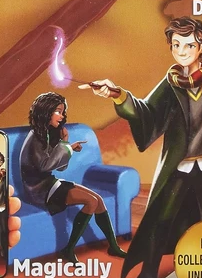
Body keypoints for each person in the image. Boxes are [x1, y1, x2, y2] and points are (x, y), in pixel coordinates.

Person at [82, 16, 202, 278]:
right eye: (176, 45)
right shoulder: (171, 83)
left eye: (188, 45)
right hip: (177, 168)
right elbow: (146, 112)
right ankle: (148, 275)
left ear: (201, 48)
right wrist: (118, 95)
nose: (181, 51)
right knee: (161, 221)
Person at [19, 92, 126, 263]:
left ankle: (113, 246)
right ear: (45, 111)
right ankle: (68, 250)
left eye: (63, 112)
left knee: (98, 200)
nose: (62, 116)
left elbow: (60, 167)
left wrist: (66, 145)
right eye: (58, 111)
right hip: (38, 190)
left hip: (49, 183)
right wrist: (66, 146)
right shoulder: (36, 137)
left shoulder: (47, 133)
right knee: (91, 201)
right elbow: (45, 166)